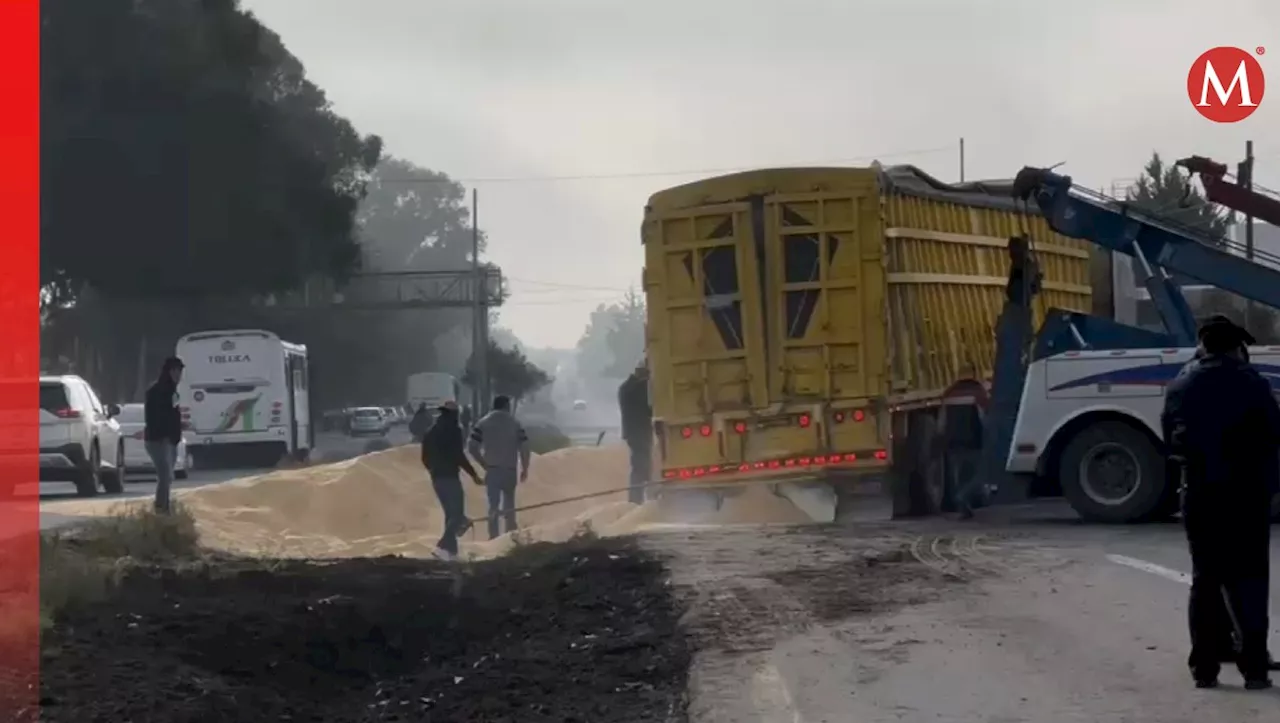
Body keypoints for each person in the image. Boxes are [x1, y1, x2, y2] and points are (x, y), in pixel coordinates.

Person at [1162, 315, 1280, 690]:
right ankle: (1255, 669)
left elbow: (1170, 438)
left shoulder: (1181, 383)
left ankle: (1205, 668)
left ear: (1203, 345)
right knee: (1249, 580)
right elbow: (1273, 433)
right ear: (1236, 348)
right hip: (1245, 495)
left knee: (1206, 580)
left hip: (1200, 494)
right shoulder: (1251, 382)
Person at [421, 400, 482, 561]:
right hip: (450, 476)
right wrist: (473, 474)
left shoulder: (431, 431)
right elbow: (459, 456)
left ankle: (451, 553)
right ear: (455, 415)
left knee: (450, 515)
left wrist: (433, 470)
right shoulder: (454, 430)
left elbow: (424, 457)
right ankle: (442, 547)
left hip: (437, 478)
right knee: (457, 514)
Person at [468, 395, 531, 539]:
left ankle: (494, 538)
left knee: (493, 506)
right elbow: (525, 447)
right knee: (509, 505)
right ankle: (511, 536)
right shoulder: (515, 423)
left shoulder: (483, 423)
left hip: (492, 469)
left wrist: (483, 463)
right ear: (506, 406)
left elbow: (472, 447)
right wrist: (525, 468)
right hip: (510, 469)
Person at [144, 357, 185, 514]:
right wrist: (163, 434)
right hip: (158, 440)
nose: (179, 375)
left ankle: (164, 506)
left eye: (180, 371)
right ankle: (162, 509)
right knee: (165, 475)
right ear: (170, 371)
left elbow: (174, 415)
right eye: (176, 371)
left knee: (168, 477)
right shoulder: (157, 391)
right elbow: (154, 417)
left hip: (170, 440)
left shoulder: (173, 391)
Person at [618, 361, 653, 505]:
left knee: (640, 465)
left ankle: (637, 498)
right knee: (641, 466)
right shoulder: (638, 388)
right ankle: (637, 499)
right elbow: (647, 407)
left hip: (633, 433)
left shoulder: (625, 387)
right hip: (640, 432)